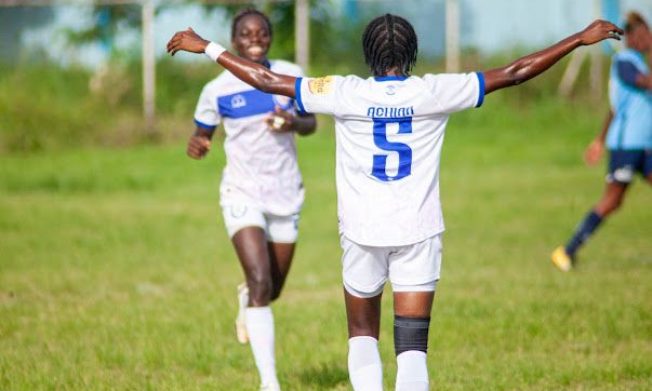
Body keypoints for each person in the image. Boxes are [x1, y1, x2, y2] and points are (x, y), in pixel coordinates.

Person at [168, 13, 621, 391]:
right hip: (419, 232)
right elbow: (517, 71)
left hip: (362, 235)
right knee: (412, 348)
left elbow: (266, 79)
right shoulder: (435, 91)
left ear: (368, 56)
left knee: (363, 335)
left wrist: (206, 45)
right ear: (412, 54)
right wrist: (579, 39)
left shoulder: (345, 91)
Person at [186, 8, 316, 391]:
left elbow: (312, 123)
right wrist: (199, 144)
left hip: (286, 193)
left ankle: (248, 299)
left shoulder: (290, 73)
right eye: (246, 34)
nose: (254, 39)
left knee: (270, 290)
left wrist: (293, 122)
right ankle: (269, 382)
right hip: (241, 192)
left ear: (270, 37)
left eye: (261, 33)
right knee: (260, 281)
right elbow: (202, 134)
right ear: (235, 39)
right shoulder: (217, 90)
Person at [551, 12, 652, 272]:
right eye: (643, 34)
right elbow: (642, 86)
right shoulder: (625, 62)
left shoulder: (640, 62)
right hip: (625, 147)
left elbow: (614, 108)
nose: (648, 38)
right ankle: (566, 251)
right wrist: (602, 141)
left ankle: (568, 250)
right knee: (611, 201)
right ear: (631, 37)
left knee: (614, 201)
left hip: (642, 146)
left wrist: (598, 139)